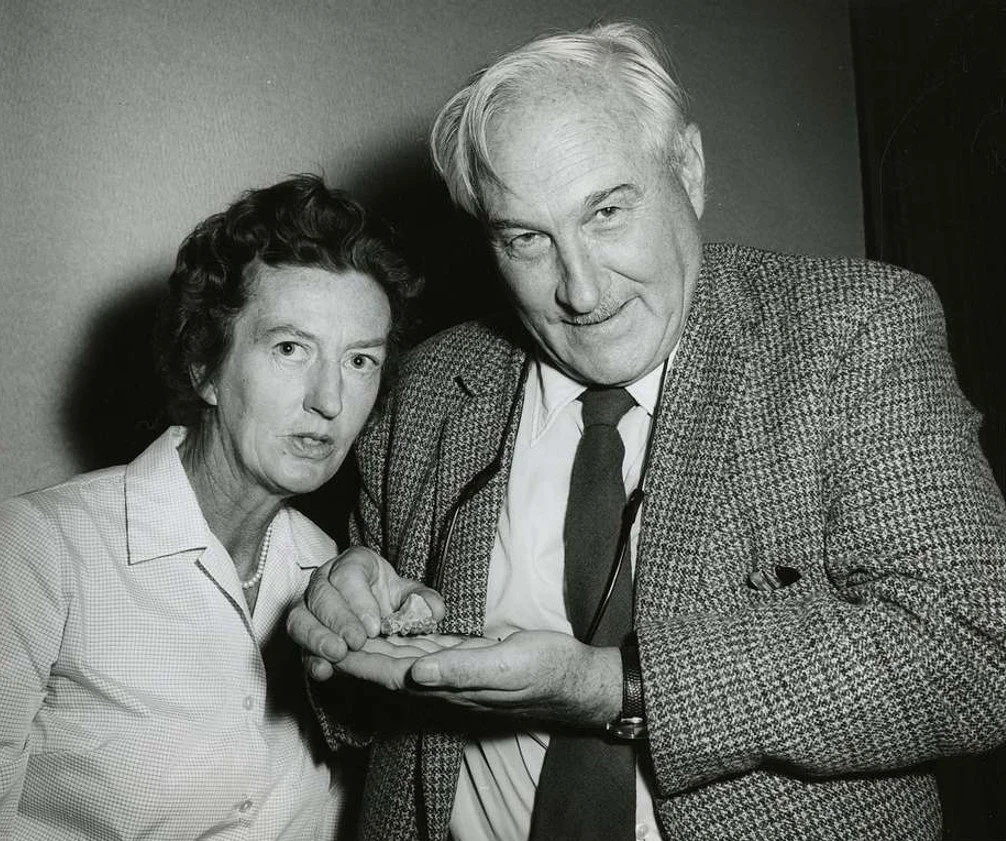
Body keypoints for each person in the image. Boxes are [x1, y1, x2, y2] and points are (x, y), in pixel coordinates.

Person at [287, 21, 1006, 841]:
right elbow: (367, 721)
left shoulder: (851, 331)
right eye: (526, 239)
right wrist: (345, 624)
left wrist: (618, 687)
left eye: (606, 212)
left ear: (688, 170)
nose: (581, 290)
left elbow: (977, 647)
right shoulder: (428, 388)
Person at [0, 174, 421, 839]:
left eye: (360, 360)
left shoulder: (330, 572)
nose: (329, 400)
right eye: (290, 348)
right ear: (204, 365)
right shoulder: (38, 551)